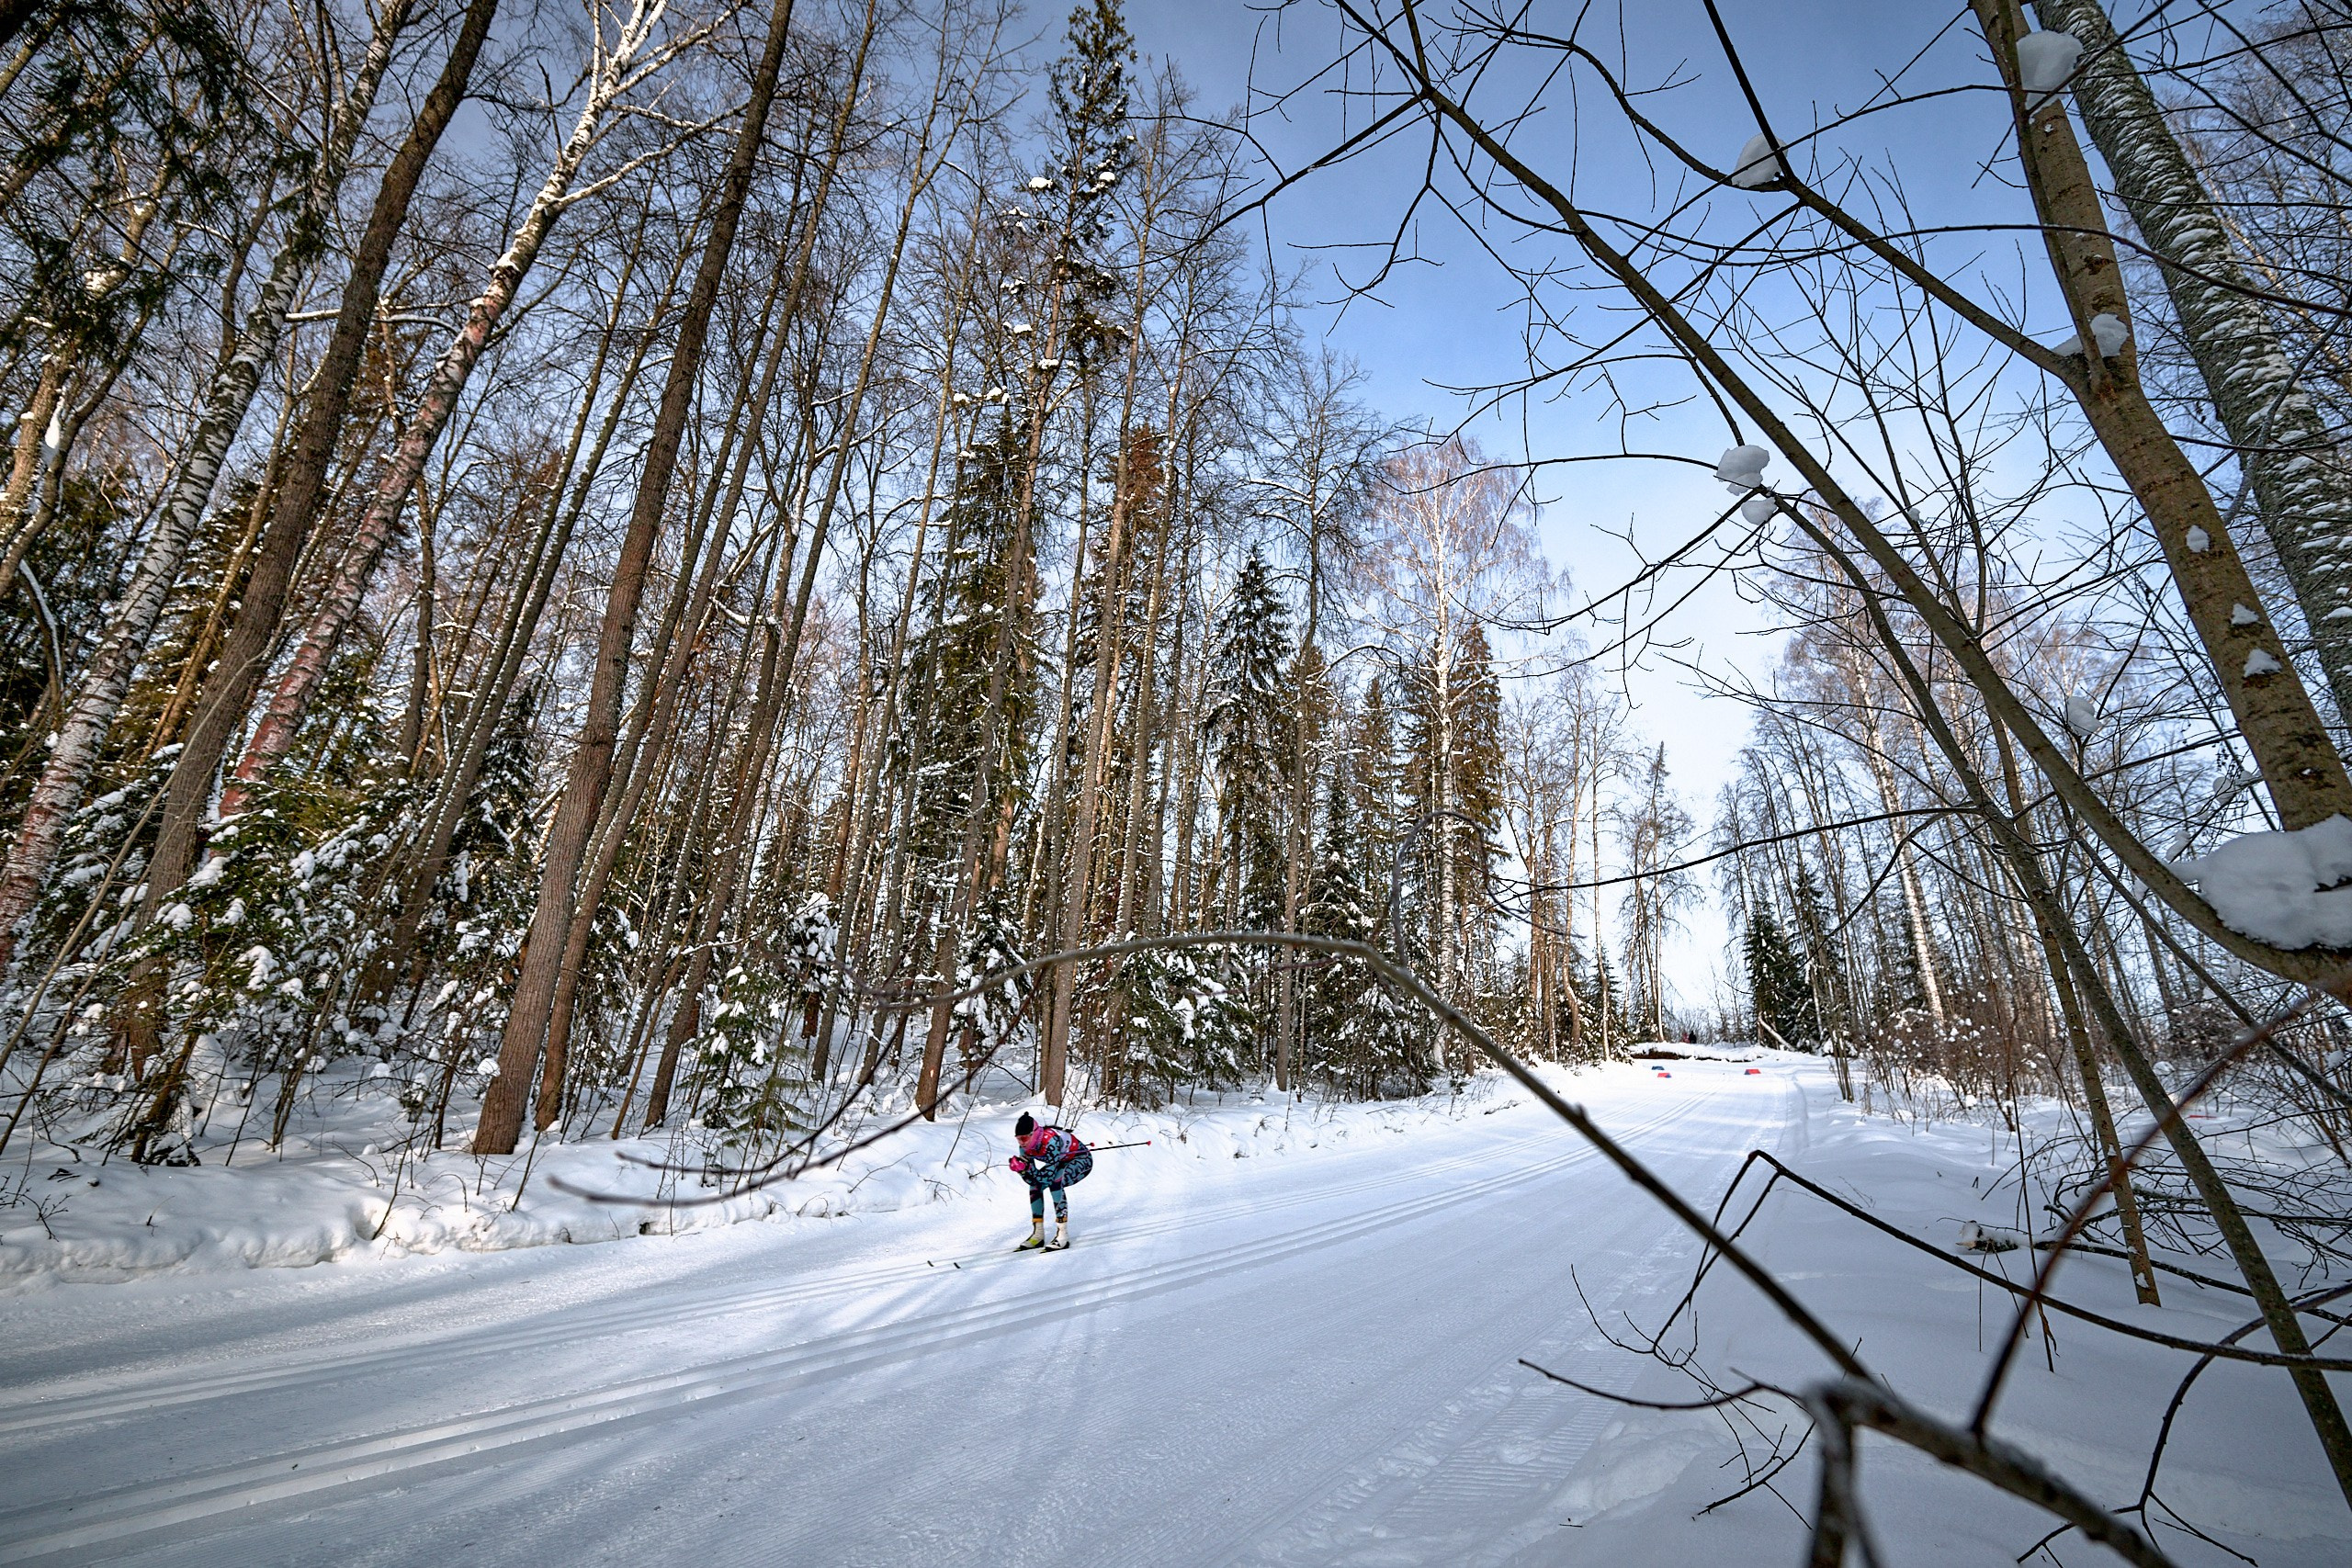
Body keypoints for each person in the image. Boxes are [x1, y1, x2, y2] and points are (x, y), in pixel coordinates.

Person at [1008, 1111, 1092, 1251]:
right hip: (1061, 1162)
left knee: (1055, 1183)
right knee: (1035, 1187)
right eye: (1018, 1139)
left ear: (1033, 1134)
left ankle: (1062, 1235)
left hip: (1081, 1160)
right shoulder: (1024, 1148)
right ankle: (1038, 1235)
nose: (1022, 1143)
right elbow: (1033, 1181)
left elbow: (1047, 1177)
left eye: (1024, 1138)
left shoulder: (1050, 1141)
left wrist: (1027, 1167)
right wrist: (1022, 1170)